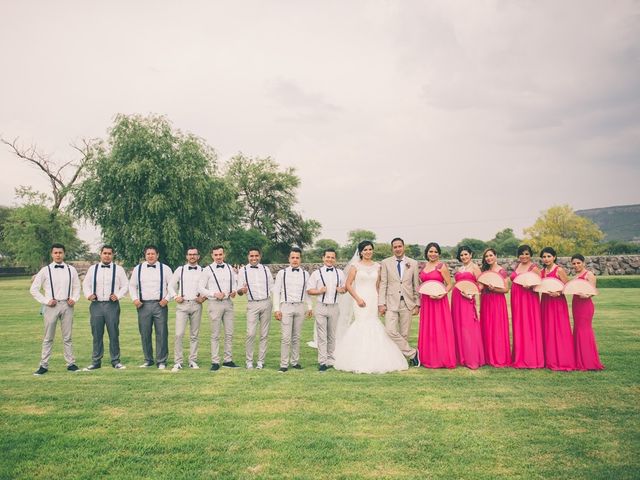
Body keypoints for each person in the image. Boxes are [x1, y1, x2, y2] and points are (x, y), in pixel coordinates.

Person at [334, 241, 408, 373]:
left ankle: (378, 357)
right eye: (365, 250)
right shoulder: (355, 266)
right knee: (361, 324)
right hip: (360, 299)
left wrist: (381, 303)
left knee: (374, 323)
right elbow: (349, 285)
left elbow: (379, 286)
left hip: (373, 299)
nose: (368, 252)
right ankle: (357, 358)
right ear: (360, 252)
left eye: (370, 249)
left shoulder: (378, 266)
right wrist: (357, 299)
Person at [30, 243, 81, 375]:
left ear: (64, 254)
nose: (58, 255)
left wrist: (74, 299)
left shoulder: (71, 270)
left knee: (67, 337)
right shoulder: (45, 270)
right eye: (56, 253)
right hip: (51, 306)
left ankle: (71, 363)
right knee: (48, 337)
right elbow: (34, 289)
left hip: (67, 305)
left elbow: (77, 287)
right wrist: (46, 301)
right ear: (52, 254)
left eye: (60, 252)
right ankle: (43, 365)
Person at [81, 245, 129, 371]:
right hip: (96, 305)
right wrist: (88, 295)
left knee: (113, 333)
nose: (107, 255)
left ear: (113, 255)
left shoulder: (119, 269)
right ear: (100, 254)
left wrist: (118, 295)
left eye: (109, 253)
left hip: (111, 305)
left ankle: (116, 361)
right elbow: (86, 284)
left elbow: (125, 285)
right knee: (96, 334)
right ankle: (96, 361)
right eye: (105, 253)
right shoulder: (93, 269)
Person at [378, 238, 420, 367]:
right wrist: (381, 303)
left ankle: (400, 360)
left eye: (399, 246)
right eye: (395, 247)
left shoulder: (413, 263)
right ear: (392, 249)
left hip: (407, 303)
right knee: (390, 331)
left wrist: (417, 303)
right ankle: (413, 353)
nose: (397, 249)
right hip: (391, 302)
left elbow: (416, 285)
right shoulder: (385, 263)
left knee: (404, 334)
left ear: (404, 247)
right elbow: (383, 283)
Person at [129, 245, 173, 370]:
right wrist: (135, 299)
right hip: (143, 305)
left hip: (160, 304)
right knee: (145, 333)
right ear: (145, 255)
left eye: (153, 254)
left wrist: (167, 299)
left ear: (157, 255)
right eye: (148, 254)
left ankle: (162, 360)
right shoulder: (138, 269)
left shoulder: (165, 269)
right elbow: (132, 285)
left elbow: (172, 286)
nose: (150, 256)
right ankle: (148, 359)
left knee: (162, 333)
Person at [272, 248, 313, 373]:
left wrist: (310, 307)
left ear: (300, 259)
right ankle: (284, 364)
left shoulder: (305, 274)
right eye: (293, 257)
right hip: (286, 306)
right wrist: (277, 309)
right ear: (289, 259)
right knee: (286, 337)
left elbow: (307, 293)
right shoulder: (282, 273)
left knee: (296, 336)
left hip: (300, 306)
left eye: (297, 258)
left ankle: (295, 362)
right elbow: (276, 292)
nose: (295, 260)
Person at [199, 245, 239, 370]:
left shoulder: (229, 268)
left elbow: (235, 284)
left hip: (228, 303)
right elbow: (200, 288)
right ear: (212, 255)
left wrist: (233, 291)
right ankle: (215, 361)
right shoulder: (207, 270)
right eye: (216, 255)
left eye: (220, 254)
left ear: (224, 255)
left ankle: (228, 360)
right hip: (214, 303)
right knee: (215, 334)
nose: (218, 257)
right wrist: (213, 294)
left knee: (229, 333)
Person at [417, 242, 456, 368]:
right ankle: (428, 357)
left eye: (435, 252)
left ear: (439, 253)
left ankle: (442, 358)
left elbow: (450, 284)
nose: (433, 254)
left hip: (439, 301)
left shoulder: (441, 266)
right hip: (427, 301)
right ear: (427, 253)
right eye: (430, 251)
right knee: (428, 328)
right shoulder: (423, 267)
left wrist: (443, 294)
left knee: (440, 328)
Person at [168, 247, 206, 372]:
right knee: (179, 334)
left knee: (194, 334)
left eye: (194, 254)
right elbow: (170, 285)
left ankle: (192, 360)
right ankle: (178, 361)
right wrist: (175, 297)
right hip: (182, 305)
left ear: (198, 256)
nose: (192, 256)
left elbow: (208, 287)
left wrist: (203, 298)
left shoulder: (203, 270)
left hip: (196, 304)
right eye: (190, 254)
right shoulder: (180, 270)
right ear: (186, 256)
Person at [307, 248, 346, 371]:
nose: (330, 259)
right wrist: (319, 291)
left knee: (332, 335)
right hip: (321, 306)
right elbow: (309, 290)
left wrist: (342, 290)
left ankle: (330, 359)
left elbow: (344, 289)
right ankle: (322, 361)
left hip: (334, 307)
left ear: (335, 259)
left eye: (332, 257)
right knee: (322, 335)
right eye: (327, 257)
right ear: (323, 258)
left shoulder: (340, 273)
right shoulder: (316, 273)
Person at [237, 247, 274, 370]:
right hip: (252, 304)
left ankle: (260, 361)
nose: (254, 258)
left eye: (256, 256)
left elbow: (272, 287)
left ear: (260, 256)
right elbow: (239, 290)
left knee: (264, 334)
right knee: (251, 333)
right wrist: (242, 290)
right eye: (251, 256)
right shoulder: (243, 270)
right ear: (248, 257)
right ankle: (249, 361)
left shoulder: (266, 269)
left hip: (266, 303)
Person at [540, 247, 575, 371]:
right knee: (548, 329)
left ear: (554, 257)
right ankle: (550, 359)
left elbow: (568, 287)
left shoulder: (559, 270)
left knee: (559, 329)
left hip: (557, 302)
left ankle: (563, 359)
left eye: (549, 256)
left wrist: (559, 293)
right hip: (545, 302)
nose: (546, 259)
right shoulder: (542, 271)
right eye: (544, 257)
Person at [510, 245, 544, 369]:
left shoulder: (534, 268)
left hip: (528, 300)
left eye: (526, 254)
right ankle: (520, 356)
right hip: (516, 299)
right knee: (518, 326)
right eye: (521, 254)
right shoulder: (517, 266)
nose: (524, 256)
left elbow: (541, 284)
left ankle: (531, 358)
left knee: (529, 325)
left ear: (530, 255)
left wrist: (530, 286)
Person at [451, 246, 485, 369]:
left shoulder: (475, 267)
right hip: (456, 299)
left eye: (466, 254)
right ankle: (461, 357)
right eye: (461, 255)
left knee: (469, 327)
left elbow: (481, 284)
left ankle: (472, 358)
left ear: (471, 254)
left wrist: (471, 294)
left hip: (467, 299)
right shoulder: (460, 268)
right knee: (459, 326)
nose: (464, 257)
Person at [570, 254, 604, 371]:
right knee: (578, 329)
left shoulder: (589, 274)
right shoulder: (575, 276)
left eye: (578, 263)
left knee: (585, 331)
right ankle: (579, 359)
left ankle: (589, 361)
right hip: (576, 304)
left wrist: (587, 295)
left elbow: (594, 291)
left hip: (585, 305)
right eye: (574, 263)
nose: (576, 265)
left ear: (583, 263)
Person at [479, 248, 511, 368]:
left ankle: (499, 356)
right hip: (486, 301)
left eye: (491, 255)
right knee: (486, 327)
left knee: (497, 328)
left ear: (495, 256)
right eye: (486, 256)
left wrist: (494, 289)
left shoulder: (501, 271)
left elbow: (506, 290)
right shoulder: (485, 271)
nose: (488, 258)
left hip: (497, 301)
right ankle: (487, 356)